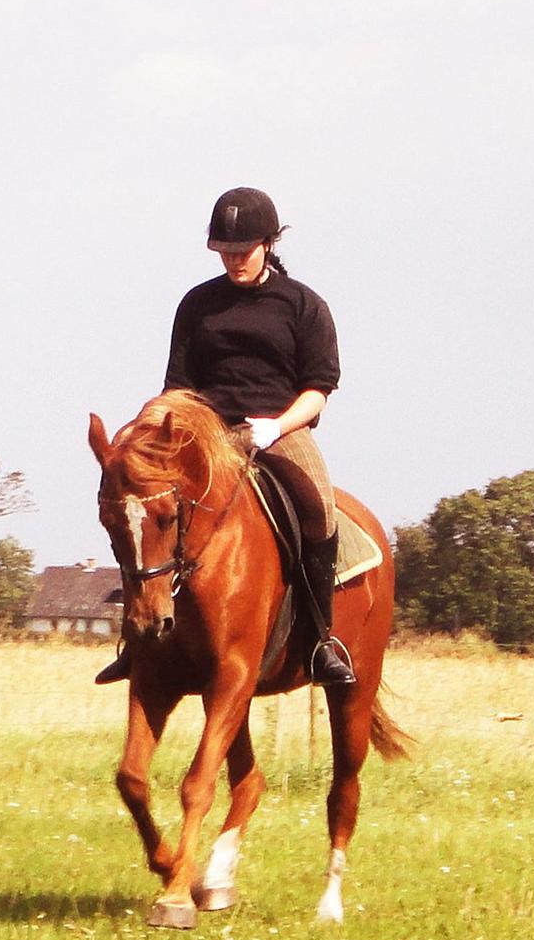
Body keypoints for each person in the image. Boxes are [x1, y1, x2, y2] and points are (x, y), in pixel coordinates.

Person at [95, 187, 355, 687]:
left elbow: (319, 389)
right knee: (143, 509)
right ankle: (136, 640)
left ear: (269, 244)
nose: (233, 261)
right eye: (225, 252)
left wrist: (277, 425)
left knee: (319, 510)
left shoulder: (304, 305)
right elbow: (177, 387)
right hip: (204, 435)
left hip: (279, 431)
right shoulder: (197, 304)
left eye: (243, 251)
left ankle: (321, 642)